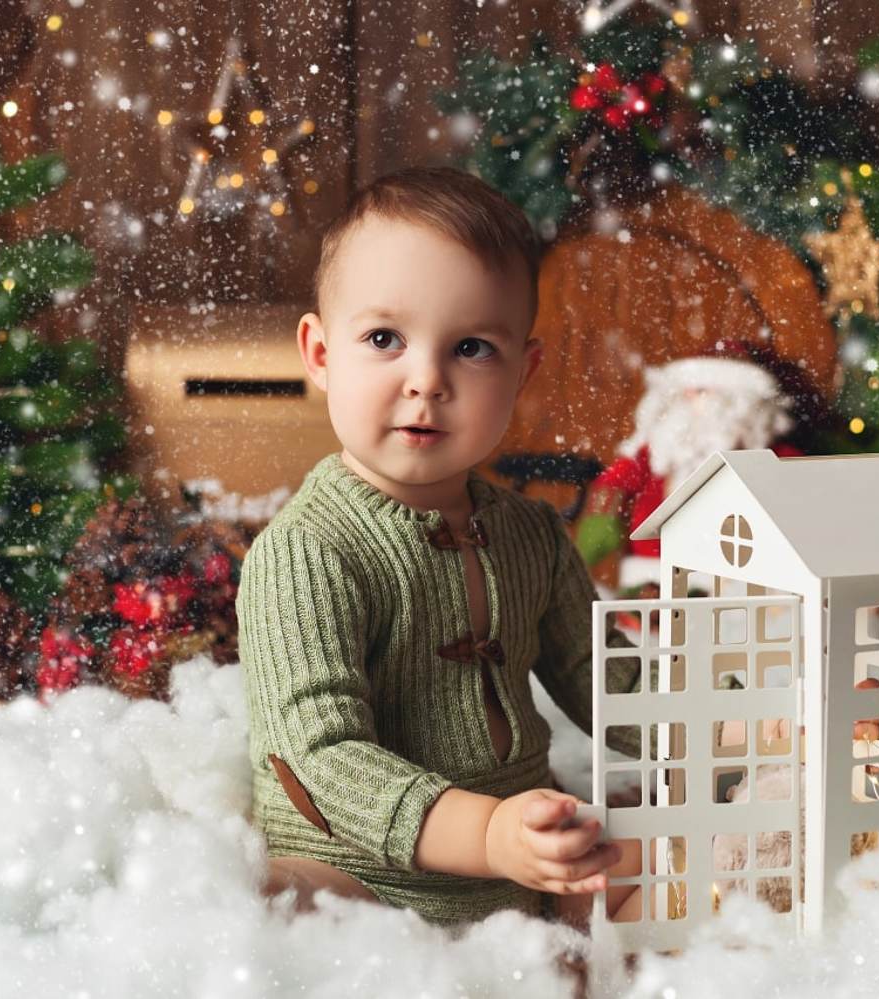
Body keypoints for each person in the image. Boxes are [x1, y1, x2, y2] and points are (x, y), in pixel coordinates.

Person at [239, 165, 643, 931]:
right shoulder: (305, 552)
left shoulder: (529, 535)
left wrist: (723, 730)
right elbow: (319, 760)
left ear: (525, 371)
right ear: (321, 354)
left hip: (520, 861)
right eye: (384, 338)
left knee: (672, 879)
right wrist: (483, 832)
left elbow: (601, 671)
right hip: (358, 872)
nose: (426, 380)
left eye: (472, 347)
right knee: (277, 911)